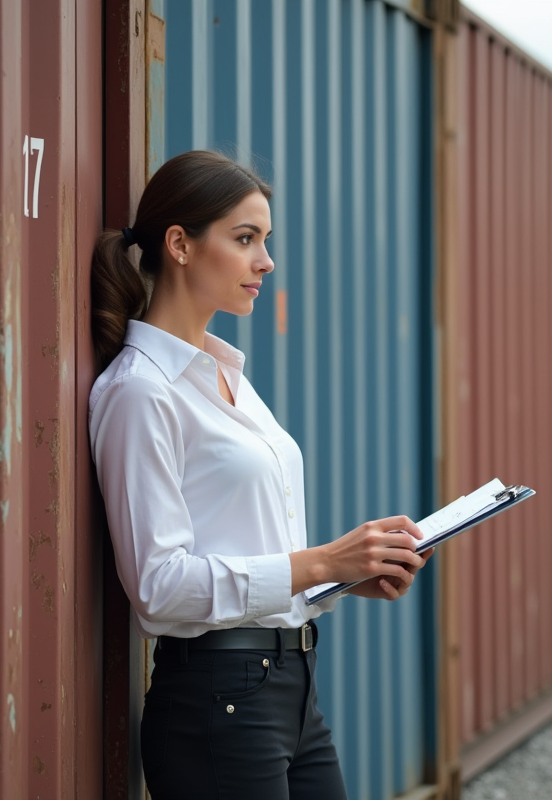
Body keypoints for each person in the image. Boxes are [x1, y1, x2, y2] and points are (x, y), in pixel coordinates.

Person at [88, 150, 433, 799]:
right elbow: (158, 587)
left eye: (265, 241)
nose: (266, 262)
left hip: (291, 688)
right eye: (246, 239)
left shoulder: (231, 381)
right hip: (216, 703)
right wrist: (323, 563)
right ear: (180, 245)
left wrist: (349, 574)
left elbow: (246, 553)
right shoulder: (142, 393)